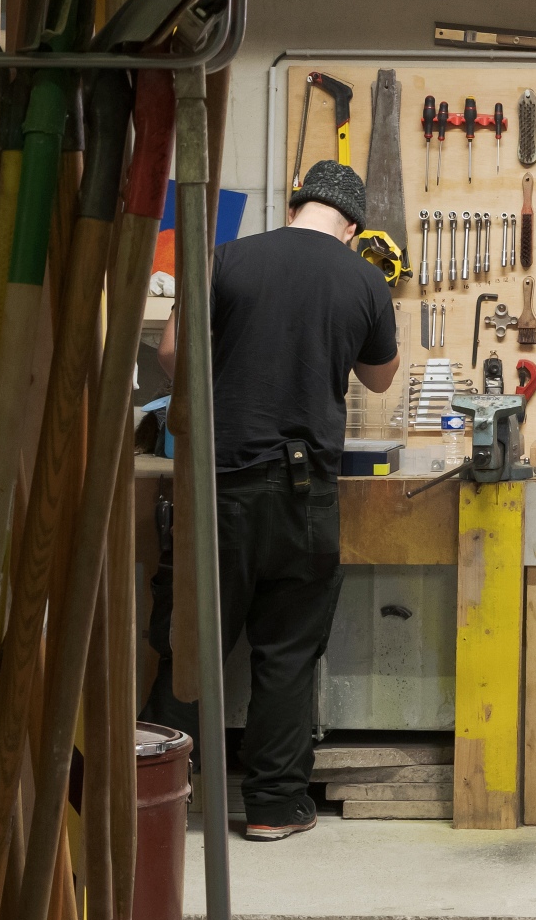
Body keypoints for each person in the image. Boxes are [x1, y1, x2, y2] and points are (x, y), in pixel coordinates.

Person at [150, 158, 398, 840]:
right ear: (352, 227)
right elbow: (379, 381)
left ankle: (157, 802)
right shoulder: (364, 278)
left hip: (218, 482)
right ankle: (272, 807)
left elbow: (173, 352)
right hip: (302, 491)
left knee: (190, 641)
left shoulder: (226, 258)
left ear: (295, 206)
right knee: (287, 651)